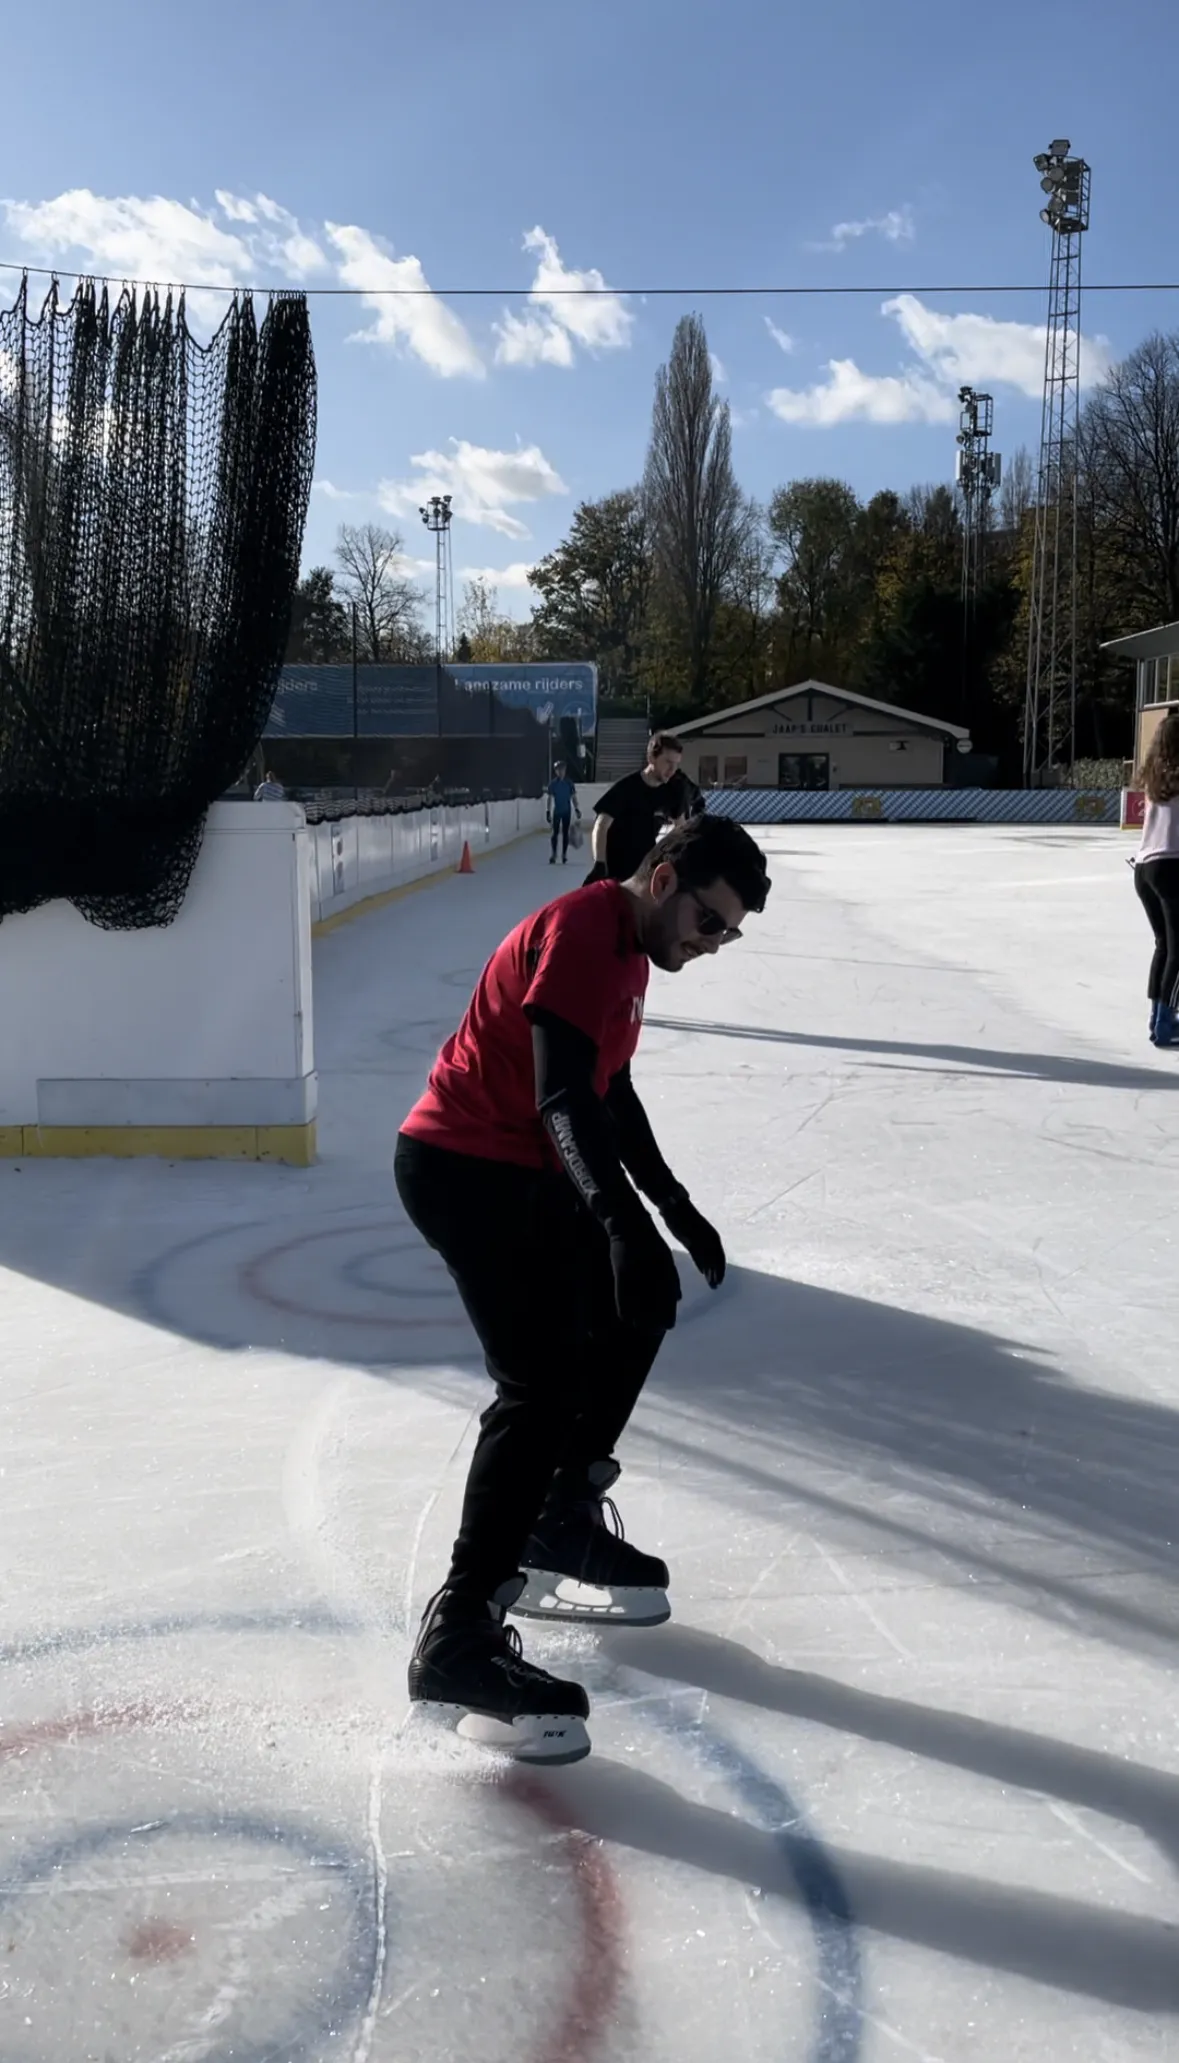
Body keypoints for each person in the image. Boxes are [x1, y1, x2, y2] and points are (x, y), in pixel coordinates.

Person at [394, 813, 771, 1763]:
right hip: (462, 1165)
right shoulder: (581, 931)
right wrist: (620, 1223)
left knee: (637, 1305)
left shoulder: (632, 954)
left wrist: (670, 1209)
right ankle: (459, 1636)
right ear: (663, 878)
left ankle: (558, 1516)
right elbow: (560, 1096)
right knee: (539, 1384)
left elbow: (611, 1093)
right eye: (710, 920)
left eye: (727, 933)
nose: (713, 943)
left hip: (524, 1168)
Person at [1133, 709, 1179, 1046]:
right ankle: (1165, 1021)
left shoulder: (1154, 777)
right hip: (1172, 867)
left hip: (1145, 868)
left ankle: (1157, 1018)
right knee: (1178, 949)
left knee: (1164, 946)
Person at [585, 733, 688, 884]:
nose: (672, 769)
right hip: (616, 869)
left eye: (676, 764)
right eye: (667, 762)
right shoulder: (627, 787)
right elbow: (602, 823)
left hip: (646, 869)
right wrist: (600, 863)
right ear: (651, 758)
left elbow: (682, 827)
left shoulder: (674, 789)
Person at [546, 760, 581, 865]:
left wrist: (576, 808)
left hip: (567, 811)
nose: (561, 772)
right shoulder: (553, 784)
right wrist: (548, 811)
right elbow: (550, 798)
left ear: (565, 770)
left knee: (565, 833)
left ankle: (564, 854)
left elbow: (573, 797)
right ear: (556, 771)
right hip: (557, 811)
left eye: (563, 769)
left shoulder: (569, 783)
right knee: (554, 833)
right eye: (558, 770)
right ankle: (554, 854)